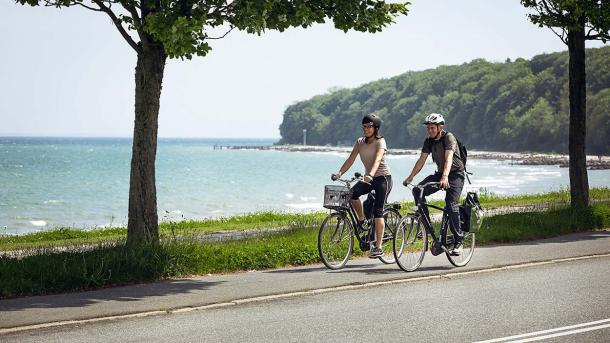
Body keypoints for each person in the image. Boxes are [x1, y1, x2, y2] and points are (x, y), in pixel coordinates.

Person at [403, 113, 465, 254]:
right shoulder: (429, 141)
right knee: (418, 190)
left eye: (432, 128)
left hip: (455, 175)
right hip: (440, 174)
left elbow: (449, 158)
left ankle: (459, 240)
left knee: (451, 204)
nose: (430, 130)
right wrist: (411, 177)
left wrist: (445, 177)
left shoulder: (449, 137)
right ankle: (427, 229)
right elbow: (421, 160)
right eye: (428, 128)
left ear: (440, 127)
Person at [333, 113, 392, 258]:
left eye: (369, 126)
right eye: (364, 126)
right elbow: (351, 159)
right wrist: (339, 173)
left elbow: (378, 159)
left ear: (376, 128)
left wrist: (371, 174)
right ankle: (361, 220)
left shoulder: (380, 142)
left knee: (378, 211)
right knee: (352, 194)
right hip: (369, 178)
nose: (366, 129)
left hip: (382, 178)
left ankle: (378, 247)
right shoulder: (360, 142)